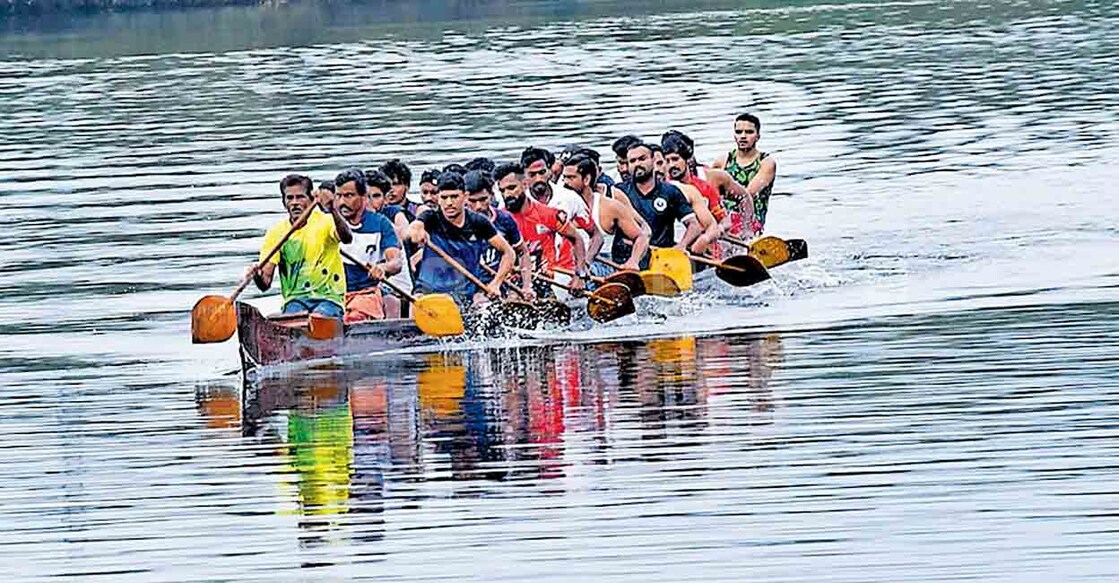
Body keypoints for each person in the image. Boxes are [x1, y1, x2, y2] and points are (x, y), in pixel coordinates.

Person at [407, 172, 516, 307]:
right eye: (444, 197)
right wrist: (417, 232)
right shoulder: (430, 218)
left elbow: (509, 253)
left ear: (465, 197)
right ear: (439, 198)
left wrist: (496, 283)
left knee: (479, 304)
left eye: (454, 197)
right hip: (428, 288)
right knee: (415, 303)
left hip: (464, 290)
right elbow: (415, 227)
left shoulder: (478, 222)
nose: (449, 203)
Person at [251, 174, 353, 319]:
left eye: (300, 197)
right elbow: (265, 284)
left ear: (311, 199)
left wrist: (333, 210)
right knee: (294, 318)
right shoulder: (276, 233)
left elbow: (347, 238)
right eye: (290, 198)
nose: (294, 203)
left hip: (329, 298)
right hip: (295, 300)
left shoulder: (326, 221)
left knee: (318, 317)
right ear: (284, 202)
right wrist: (256, 275)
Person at [494, 162, 588, 296]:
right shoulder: (497, 220)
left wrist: (580, 275)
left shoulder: (548, 214)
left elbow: (577, 239)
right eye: (502, 190)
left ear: (525, 185)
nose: (507, 194)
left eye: (511, 188)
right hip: (511, 281)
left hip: (544, 278)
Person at [611, 142, 702, 267]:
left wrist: (682, 245)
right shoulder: (618, 192)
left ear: (653, 160)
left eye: (642, 159)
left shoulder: (670, 192)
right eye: (632, 161)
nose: (637, 164)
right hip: (625, 261)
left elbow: (694, 225)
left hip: (661, 259)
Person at [335, 169, 404, 322]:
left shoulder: (381, 224)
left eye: (348, 196)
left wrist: (383, 268)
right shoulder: (330, 222)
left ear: (364, 198)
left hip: (365, 293)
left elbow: (396, 262)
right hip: (332, 294)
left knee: (355, 317)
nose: (341, 202)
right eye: (338, 196)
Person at [561, 154, 650, 272]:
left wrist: (633, 261)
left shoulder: (610, 207)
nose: (566, 183)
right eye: (564, 178)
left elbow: (641, 236)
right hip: (565, 262)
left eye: (571, 178)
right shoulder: (557, 204)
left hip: (600, 266)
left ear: (586, 179)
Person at [520, 146, 596, 275]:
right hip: (532, 271)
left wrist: (583, 266)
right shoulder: (518, 203)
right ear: (524, 176)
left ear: (550, 170)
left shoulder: (569, 197)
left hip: (567, 271)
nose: (538, 179)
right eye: (532, 175)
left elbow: (596, 235)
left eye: (542, 172)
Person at [465, 170, 533, 299]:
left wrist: (526, 286)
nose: (478, 206)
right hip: (472, 285)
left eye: (483, 199)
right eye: (472, 201)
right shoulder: (456, 225)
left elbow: (523, 252)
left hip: (503, 281)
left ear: (491, 195)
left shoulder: (504, 219)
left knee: (515, 299)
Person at [711, 113, 776, 234]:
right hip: (723, 222)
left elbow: (746, 195)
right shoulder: (722, 161)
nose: (743, 136)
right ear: (734, 135)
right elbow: (709, 191)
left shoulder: (766, 163)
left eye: (749, 132)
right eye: (739, 132)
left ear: (758, 136)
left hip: (751, 224)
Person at [363, 169, 415, 311]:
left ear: (385, 199)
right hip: (365, 288)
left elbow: (404, 233)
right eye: (366, 196)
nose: (370, 202)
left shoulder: (389, 218)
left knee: (389, 299)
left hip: (397, 288)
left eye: (376, 196)